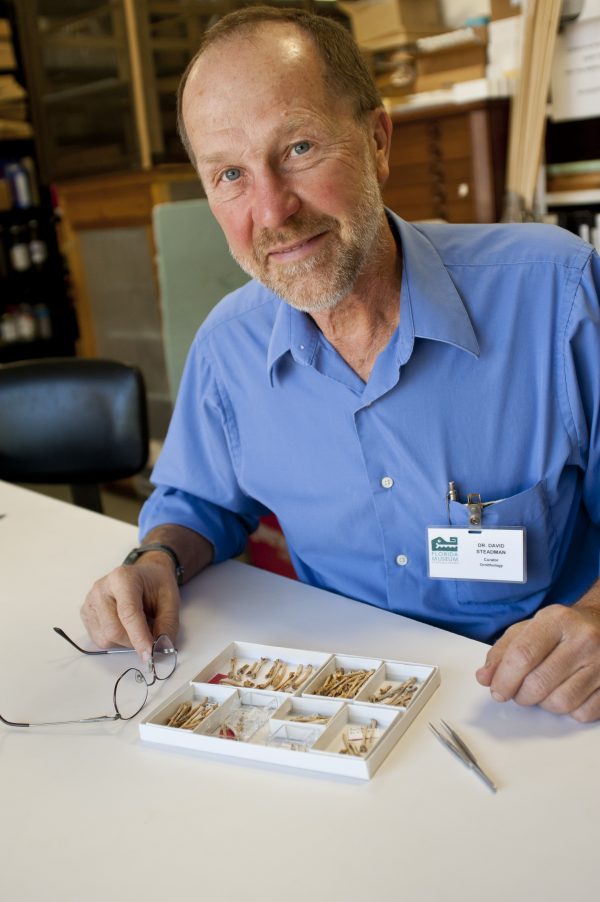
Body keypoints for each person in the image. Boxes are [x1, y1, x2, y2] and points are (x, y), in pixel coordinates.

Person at [82, 7, 600, 722]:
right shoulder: (229, 348)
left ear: (377, 140)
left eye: (298, 147)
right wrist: (156, 562)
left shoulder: (557, 297)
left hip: (537, 712)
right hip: (343, 711)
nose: (272, 210)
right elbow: (198, 504)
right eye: (230, 173)